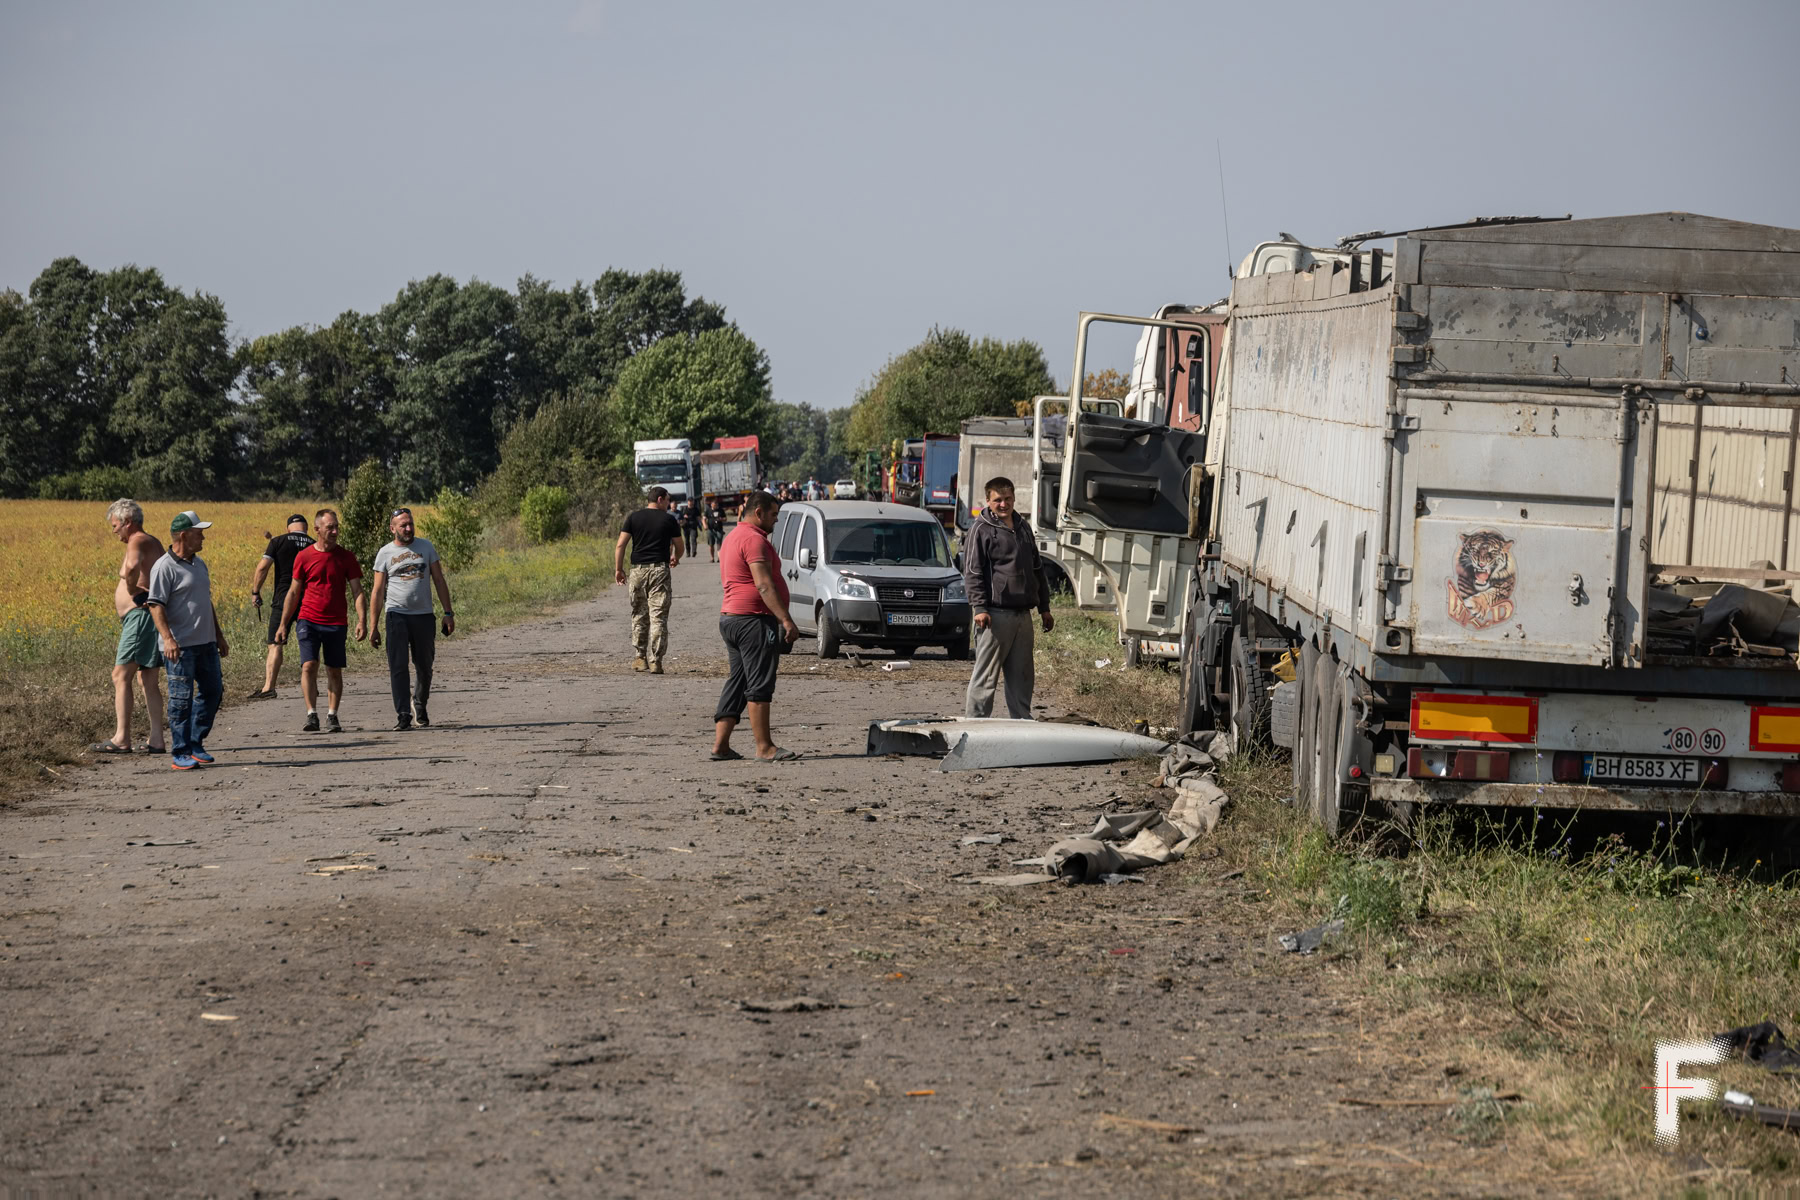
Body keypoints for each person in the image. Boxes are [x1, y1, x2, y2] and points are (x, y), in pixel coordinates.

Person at [712, 490, 800, 762]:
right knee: (759, 683)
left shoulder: (733, 537)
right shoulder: (753, 540)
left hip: (731, 618)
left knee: (737, 683)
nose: (775, 520)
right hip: (753, 620)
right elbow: (763, 584)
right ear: (758, 512)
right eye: (773, 515)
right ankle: (765, 747)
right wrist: (785, 619)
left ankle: (721, 746)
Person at [962, 476, 1054, 719]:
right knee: (986, 677)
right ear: (988, 501)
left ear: (1014, 498)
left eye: (1008, 499)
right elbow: (972, 572)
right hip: (994, 616)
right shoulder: (980, 529)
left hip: (1023, 616)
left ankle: (1022, 724)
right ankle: (975, 725)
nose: (1003, 504)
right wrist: (979, 607)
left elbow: (1037, 570)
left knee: (1022, 676)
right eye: (998, 500)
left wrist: (1044, 607)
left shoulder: (1023, 527)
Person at [144, 511, 229, 770]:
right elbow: (155, 605)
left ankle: (194, 741)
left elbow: (206, 602)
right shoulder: (164, 567)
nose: (203, 537)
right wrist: (168, 639)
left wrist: (218, 635)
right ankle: (180, 751)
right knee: (181, 700)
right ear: (184, 535)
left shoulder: (199, 564)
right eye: (199, 532)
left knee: (213, 692)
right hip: (180, 647)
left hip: (205, 644)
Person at [277, 508, 368, 733]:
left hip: (336, 621)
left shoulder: (347, 557)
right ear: (317, 529)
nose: (335, 531)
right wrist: (282, 624)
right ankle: (311, 714)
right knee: (309, 665)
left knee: (333, 669)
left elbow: (357, 591)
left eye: (336, 527)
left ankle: (332, 715)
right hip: (308, 619)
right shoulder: (304, 556)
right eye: (330, 527)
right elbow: (293, 592)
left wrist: (362, 620)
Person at [93, 499, 167, 755]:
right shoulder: (152, 541)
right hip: (146, 617)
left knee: (120, 675)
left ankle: (122, 737)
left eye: (115, 526)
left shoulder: (137, 540)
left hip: (140, 617)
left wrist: (132, 589)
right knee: (147, 678)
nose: (114, 532)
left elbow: (133, 567)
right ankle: (156, 739)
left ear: (127, 522)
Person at [370, 507, 455, 731]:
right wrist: (373, 626)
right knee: (398, 667)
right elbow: (377, 592)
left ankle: (419, 703)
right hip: (396, 615)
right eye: (403, 525)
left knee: (425, 666)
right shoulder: (385, 553)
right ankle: (403, 714)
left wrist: (448, 613)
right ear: (392, 529)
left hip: (424, 616)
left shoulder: (426, 547)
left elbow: (438, 579)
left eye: (410, 524)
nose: (408, 528)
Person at [614, 486, 683, 674]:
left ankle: (640, 657)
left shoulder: (633, 518)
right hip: (659, 570)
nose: (668, 504)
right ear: (660, 499)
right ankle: (656, 660)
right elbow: (680, 546)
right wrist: (676, 557)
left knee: (639, 613)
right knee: (658, 616)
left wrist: (619, 569)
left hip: (637, 571)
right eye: (667, 500)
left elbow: (621, 545)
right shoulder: (669, 519)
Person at [246, 513, 314, 700]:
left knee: (275, 643)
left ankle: (269, 688)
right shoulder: (315, 544)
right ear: (306, 529)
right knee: (308, 643)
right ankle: (311, 686)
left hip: (283, 598)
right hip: (308, 600)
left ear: (288, 528)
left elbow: (262, 568)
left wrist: (255, 592)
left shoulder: (278, 541)